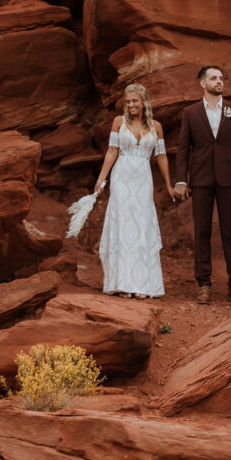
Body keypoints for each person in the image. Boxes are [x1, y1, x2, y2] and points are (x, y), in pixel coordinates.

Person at [174, 65, 231, 307]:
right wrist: (181, 180)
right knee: (201, 232)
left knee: (230, 232)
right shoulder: (190, 112)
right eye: (213, 78)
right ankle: (204, 285)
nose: (219, 82)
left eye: (221, 78)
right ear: (203, 83)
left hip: (229, 179)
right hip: (200, 180)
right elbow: (182, 149)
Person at [95, 83, 174, 299]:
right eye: (128, 101)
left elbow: (162, 156)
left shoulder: (156, 126)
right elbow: (112, 151)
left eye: (134, 101)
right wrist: (102, 178)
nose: (131, 104)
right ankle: (121, 282)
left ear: (144, 102)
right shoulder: (118, 122)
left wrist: (168, 184)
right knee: (123, 225)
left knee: (141, 226)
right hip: (122, 176)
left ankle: (141, 283)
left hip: (143, 179)